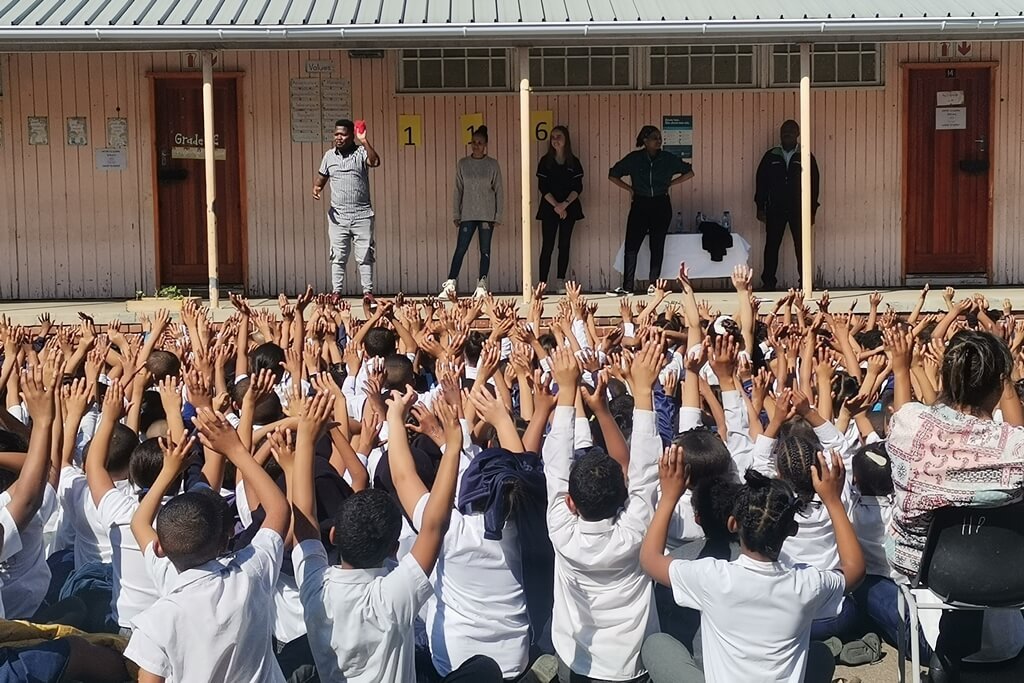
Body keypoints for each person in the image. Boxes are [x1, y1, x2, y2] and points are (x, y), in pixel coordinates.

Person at [640, 451, 864, 683]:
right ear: (792, 530)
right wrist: (834, 502)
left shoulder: (712, 577)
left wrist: (669, 497)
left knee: (655, 645)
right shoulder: (808, 584)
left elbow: (649, 559)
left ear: (733, 524)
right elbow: (855, 568)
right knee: (821, 654)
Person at [886, 328, 1024, 681]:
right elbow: (1016, 435)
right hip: (1014, 575)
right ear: (1000, 384)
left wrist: (902, 368)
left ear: (946, 377)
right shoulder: (1015, 449)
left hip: (930, 569)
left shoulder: (908, 425)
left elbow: (914, 414)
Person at [123, 409, 291, 682]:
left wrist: (168, 471)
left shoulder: (156, 620)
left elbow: (139, 523)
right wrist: (236, 451)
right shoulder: (250, 574)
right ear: (225, 541)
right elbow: (279, 509)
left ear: (159, 548)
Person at [545, 342, 664, 682]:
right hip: (630, 663)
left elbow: (555, 467)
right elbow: (645, 472)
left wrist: (566, 391)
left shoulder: (561, 530)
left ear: (571, 502)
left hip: (575, 658)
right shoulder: (636, 531)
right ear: (623, 495)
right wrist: (644, 394)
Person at [608, 125, 694, 296]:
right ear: (645, 140)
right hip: (640, 203)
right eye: (654, 138)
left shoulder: (667, 158)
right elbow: (613, 174)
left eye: (660, 137)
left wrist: (671, 183)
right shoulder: (634, 158)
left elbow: (689, 172)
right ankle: (628, 286)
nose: (658, 141)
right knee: (631, 246)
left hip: (661, 203)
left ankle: (654, 285)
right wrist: (630, 189)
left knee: (657, 245)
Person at [313, 118, 381, 304]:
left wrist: (364, 140)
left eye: (343, 134)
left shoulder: (361, 153)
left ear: (352, 135)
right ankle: (336, 292)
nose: (338, 137)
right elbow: (322, 177)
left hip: (362, 215)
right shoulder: (329, 156)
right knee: (338, 256)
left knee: (365, 256)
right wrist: (317, 188)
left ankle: (367, 292)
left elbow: (375, 161)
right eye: (336, 134)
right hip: (338, 217)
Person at [754, 120, 820, 291]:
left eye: (791, 130)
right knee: (772, 245)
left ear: (798, 134)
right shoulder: (771, 156)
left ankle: (805, 283)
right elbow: (761, 182)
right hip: (775, 208)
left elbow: (814, 184)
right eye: (784, 130)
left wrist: (812, 210)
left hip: (799, 209)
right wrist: (760, 206)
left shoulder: (805, 155)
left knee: (802, 246)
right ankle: (768, 282)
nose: (787, 133)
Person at [442, 126, 504, 301]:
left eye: (480, 143)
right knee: (460, 249)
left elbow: (499, 190)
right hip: (468, 214)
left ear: (485, 145)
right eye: (473, 142)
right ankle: (451, 283)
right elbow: (458, 190)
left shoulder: (492, 164)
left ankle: (482, 284)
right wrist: (456, 213)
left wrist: (498, 215)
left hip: (486, 214)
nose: (476, 146)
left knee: (485, 250)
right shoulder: (463, 164)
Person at [536, 126, 584, 293]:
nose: (555, 140)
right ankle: (542, 283)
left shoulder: (574, 162)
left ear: (566, 140)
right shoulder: (545, 161)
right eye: (553, 137)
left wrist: (564, 204)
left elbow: (578, 187)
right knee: (547, 245)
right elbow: (542, 187)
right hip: (549, 208)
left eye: (559, 136)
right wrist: (556, 205)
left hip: (569, 208)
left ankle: (560, 281)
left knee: (564, 244)